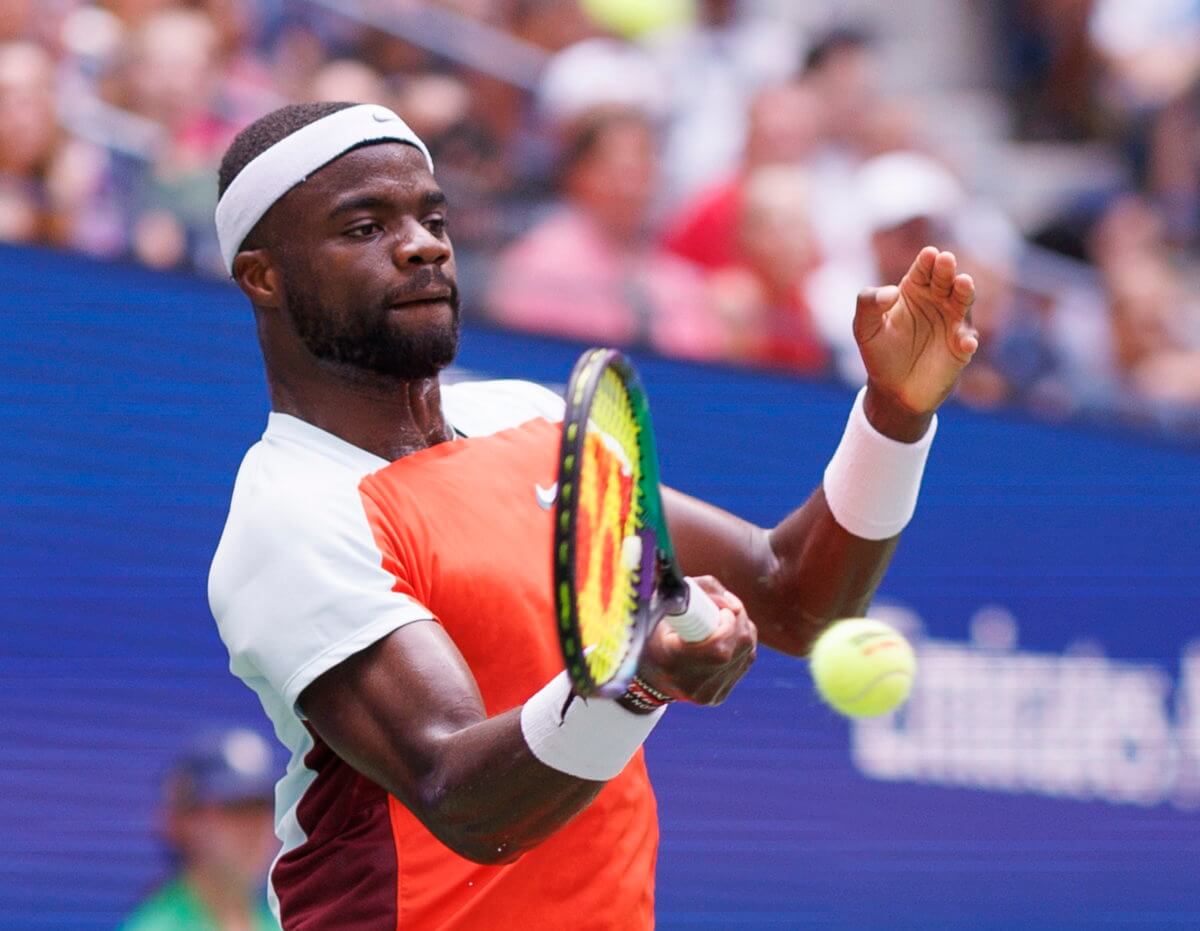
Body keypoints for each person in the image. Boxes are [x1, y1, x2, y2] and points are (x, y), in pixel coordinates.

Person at [207, 101, 978, 929]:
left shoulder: (534, 423)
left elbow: (792, 595)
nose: (422, 244)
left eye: (433, 217)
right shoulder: (290, 512)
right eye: (363, 227)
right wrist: (637, 684)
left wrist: (894, 412)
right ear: (264, 276)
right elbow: (462, 796)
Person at [119, 728, 280, 931]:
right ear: (184, 822)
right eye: (237, 810)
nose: (256, 829)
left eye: (265, 808)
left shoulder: (281, 921)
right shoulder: (156, 926)